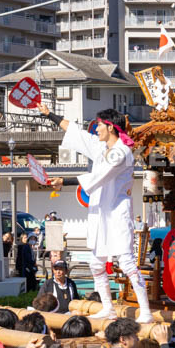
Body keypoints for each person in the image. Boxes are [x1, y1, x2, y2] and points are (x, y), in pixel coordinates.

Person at [38, 103, 152, 324]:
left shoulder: (121, 152)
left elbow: (98, 176)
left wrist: (65, 181)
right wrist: (49, 114)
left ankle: (145, 310)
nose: (96, 129)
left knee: (127, 263)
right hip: (99, 214)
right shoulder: (102, 148)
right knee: (96, 263)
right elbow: (76, 134)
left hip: (117, 215)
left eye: (99, 125)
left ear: (110, 127)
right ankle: (108, 308)